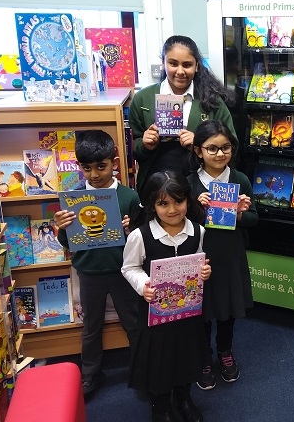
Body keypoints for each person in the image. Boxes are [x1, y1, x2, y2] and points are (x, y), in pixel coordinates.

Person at [54, 130, 140, 397]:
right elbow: (67, 243)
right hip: (89, 272)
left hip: (123, 271)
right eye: (86, 168)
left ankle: (142, 368)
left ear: (114, 162)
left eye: (101, 167)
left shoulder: (128, 197)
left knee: (134, 323)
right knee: (91, 327)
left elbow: (141, 238)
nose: (94, 174)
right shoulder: (74, 198)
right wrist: (61, 228)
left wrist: (130, 230)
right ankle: (90, 374)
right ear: (79, 166)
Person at [121, 171, 212, 422]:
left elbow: (201, 261)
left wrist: (204, 272)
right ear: (152, 205)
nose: (172, 209)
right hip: (155, 321)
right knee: (159, 365)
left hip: (187, 317)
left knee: (186, 359)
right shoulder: (141, 236)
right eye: (163, 203)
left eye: (178, 201)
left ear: (188, 200)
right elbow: (129, 267)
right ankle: (160, 406)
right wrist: (144, 285)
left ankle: (183, 398)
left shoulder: (198, 232)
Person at [186, 120, 258, 389]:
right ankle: (204, 356)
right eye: (212, 149)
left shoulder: (239, 180)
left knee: (227, 308)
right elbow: (178, 223)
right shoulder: (190, 183)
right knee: (201, 309)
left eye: (225, 148)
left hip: (230, 253)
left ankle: (225, 351)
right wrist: (194, 207)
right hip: (200, 256)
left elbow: (254, 218)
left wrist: (240, 213)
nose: (219, 154)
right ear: (198, 151)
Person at [129, 35, 236, 198]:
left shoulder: (212, 102)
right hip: (156, 182)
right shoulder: (143, 98)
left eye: (187, 65)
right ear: (164, 63)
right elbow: (133, 148)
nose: (180, 71)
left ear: (197, 66)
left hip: (200, 183)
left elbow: (232, 144)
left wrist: (201, 143)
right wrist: (145, 145)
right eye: (173, 63)